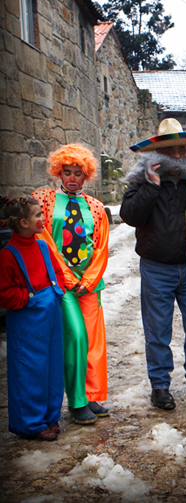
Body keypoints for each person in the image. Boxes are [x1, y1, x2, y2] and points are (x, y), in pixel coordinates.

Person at [121, 118, 186, 410]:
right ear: (159, 154)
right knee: (157, 330)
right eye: (172, 152)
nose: (179, 156)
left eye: (183, 150)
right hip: (156, 267)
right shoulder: (142, 179)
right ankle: (160, 386)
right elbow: (130, 215)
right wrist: (151, 188)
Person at [33, 144, 110, 425]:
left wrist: (88, 279)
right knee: (76, 336)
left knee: (92, 342)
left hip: (89, 283)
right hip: (61, 282)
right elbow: (45, 240)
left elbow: (101, 247)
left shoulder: (96, 207)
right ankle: (76, 401)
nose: (73, 178)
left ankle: (91, 395)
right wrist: (66, 276)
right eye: (67, 172)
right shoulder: (44, 200)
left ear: (86, 174)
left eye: (78, 173)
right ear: (59, 173)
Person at [0, 197, 66, 441]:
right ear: (24, 223)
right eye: (38, 215)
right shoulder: (8, 255)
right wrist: (29, 299)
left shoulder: (42, 246)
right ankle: (31, 423)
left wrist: (56, 289)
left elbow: (57, 271)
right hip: (28, 317)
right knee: (30, 369)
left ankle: (51, 416)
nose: (43, 219)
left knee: (52, 366)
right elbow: (5, 293)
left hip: (51, 313)